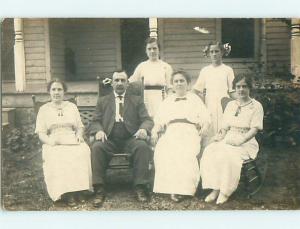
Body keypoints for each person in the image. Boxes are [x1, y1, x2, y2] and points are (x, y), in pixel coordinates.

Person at [89, 70, 154, 207]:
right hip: (110, 138)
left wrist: (143, 129)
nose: (119, 83)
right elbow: (95, 121)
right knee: (96, 147)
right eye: (116, 80)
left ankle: (140, 186)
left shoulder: (136, 100)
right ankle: (99, 188)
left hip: (130, 138)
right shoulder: (103, 101)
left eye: (122, 80)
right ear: (112, 83)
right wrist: (99, 131)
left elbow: (147, 120)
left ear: (127, 83)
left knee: (142, 146)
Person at [200, 75, 264, 204]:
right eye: (238, 87)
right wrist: (219, 136)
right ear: (234, 89)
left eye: (244, 86)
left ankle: (225, 191)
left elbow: (254, 129)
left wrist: (241, 141)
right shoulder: (230, 105)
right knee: (210, 151)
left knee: (228, 155)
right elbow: (224, 127)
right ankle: (215, 188)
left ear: (249, 88)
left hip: (246, 141)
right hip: (229, 137)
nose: (241, 90)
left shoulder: (256, 106)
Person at [151, 71, 211, 202]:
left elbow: (206, 119)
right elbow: (159, 122)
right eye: (176, 81)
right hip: (171, 131)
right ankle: (170, 187)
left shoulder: (195, 99)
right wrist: (155, 131)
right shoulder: (167, 101)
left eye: (182, 80)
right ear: (172, 85)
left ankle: (185, 189)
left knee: (184, 152)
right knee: (163, 149)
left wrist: (205, 127)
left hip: (190, 131)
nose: (179, 83)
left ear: (188, 84)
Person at [35, 79, 92, 206]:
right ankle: (67, 193)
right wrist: (50, 141)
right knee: (60, 155)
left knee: (83, 150)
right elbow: (41, 133)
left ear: (64, 92)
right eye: (53, 89)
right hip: (54, 140)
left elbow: (79, 127)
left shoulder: (71, 107)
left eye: (59, 89)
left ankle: (80, 190)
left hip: (71, 137)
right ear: (49, 92)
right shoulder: (44, 109)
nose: (56, 92)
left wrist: (79, 136)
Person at [193, 41, 235, 144]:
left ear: (222, 52)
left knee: (223, 128)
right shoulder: (205, 70)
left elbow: (232, 90)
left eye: (217, 51)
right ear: (208, 54)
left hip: (224, 105)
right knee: (209, 129)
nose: (214, 54)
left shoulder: (228, 70)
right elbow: (196, 90)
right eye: (211, 52)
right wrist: (200, 103)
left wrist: (238, 103)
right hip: (209, 104)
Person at [129, 37, 173, 117]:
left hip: (161, 98)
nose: (152, 51)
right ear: (146, 51)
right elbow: (131, 82)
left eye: (154, 48)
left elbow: (170, 88)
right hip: (146, 98)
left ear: (159, 50)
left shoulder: (166, 66)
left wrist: (169, 103)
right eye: (149, 49)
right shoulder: (142, 66)